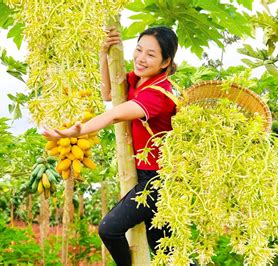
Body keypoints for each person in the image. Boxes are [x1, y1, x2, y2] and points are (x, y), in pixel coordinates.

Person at [42, 26, 178, 266]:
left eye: (150, 54)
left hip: (158, 180)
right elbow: (109, 94)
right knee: (169, 256)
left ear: (166, 62)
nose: (141, 58)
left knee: (110, 229)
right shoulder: (138, 80)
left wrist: (78, 130)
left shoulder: (159, 94)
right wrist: (103, 54)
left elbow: (115, 114)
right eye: (138, 50)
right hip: (146, 175)